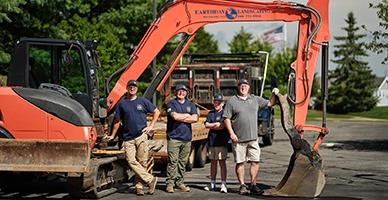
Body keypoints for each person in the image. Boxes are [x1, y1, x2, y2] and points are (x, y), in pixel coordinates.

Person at [223, 78, 279, 195]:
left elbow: (270, 103)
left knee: (255, 161)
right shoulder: (232, 101)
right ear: (238, 87)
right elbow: (226, 118)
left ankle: (253, 184)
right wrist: (231, 133)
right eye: (241, 85)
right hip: (238, 139)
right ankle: (242, 185)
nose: (243, 87)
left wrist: (274, 93)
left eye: (245, 85)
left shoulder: (255, 99)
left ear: (249, 87)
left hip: (253, 139)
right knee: (240, 162)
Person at [105, 79, 159, 196]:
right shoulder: (122, 104)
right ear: (127, 88)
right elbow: (117, 121)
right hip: (128, 137)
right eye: (130, 86)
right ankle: (150, 179)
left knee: (142, 162)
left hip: (141, 136)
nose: (132, 88)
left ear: (137, 89)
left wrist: (150, 126)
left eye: (134, 87)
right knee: (131, 160)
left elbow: (156, 112)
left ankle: (139, 186)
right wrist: (113, 135)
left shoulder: (143, 102)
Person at [165, 84, 198, 193]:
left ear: (186, 92)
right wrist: (187, 116)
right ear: (175, 92)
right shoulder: (171, 103)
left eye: (183, 91)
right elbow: (174, 116)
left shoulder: (190, 104)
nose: (181, 93)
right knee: (173, 161)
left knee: (182, 162)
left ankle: (179, 182)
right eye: (179, 91)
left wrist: (182, 117)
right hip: (174, 137)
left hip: (187, 138)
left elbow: (195, 118)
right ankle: (170, 183)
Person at [203, 93, 229, 193]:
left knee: (222, 162)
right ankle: (212, 182)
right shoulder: (211, 113)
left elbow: (222, 126)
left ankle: (223, 183)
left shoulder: (224, 113)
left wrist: (212, 125)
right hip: (212, 141)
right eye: (215, 102)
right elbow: (206, 125)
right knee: (213, 162)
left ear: (222, 103)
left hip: (221, 141)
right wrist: (215, 124)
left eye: (219, 102)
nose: (217, 104)